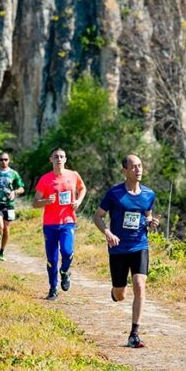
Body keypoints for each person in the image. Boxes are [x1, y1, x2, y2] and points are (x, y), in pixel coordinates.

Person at [93, 154, 159, 348]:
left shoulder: (149, 194)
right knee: (120, 293)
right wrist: (107, 232)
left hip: (140, 245)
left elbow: (147, 216)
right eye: (133, 167)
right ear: (125, 171)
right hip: (118, 248)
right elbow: (98, 216)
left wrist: (151, 222)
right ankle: (115, 293)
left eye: (140, 166)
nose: (138, 170)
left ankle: (134, 334)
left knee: (140, 285)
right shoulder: (114, 194)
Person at [32, 148, 86, 301]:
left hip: (68, 222)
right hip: (50, 224)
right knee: (52, 259)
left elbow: (83, 189)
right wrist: (45, 201)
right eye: (56, 157)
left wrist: (78, 201)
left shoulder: (73, 175)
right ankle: (53, 288)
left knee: (68, 252)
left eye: (62, 156)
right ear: (51, 160)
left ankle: (64, 272)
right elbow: (35, 203)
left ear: (66, 159)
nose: (59, 159)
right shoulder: (45, 179)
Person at [0, 152, 25, 261]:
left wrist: (14, 192)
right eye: (1, 159)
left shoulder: (13, 173)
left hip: (9, 205)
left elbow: (22, 188)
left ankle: (2, 251)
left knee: (6, 229)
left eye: (6, 159)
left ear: (9, 160)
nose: (4, 161)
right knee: (0, 226)